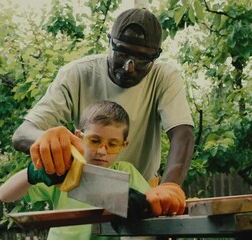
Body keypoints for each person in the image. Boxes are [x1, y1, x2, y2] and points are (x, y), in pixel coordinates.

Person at [12, 8, 194, 189]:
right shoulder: (76, 74)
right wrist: (47, 139)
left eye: (142, 59)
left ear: (156, 56)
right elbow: (22, 135)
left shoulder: (164, 77)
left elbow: (182, 133)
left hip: (141, 192)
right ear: (110, 43)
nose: (129, 67)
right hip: (86, 189)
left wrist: (170, 187)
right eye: (122, 53)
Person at [0, 100, 186, 240]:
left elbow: (148, 204)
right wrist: (35, 172)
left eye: (112, 144)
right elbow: (5, 194)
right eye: (95, 140)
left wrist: (155, 200)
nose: (102, 151)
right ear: (79, 136)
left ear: (124, 145)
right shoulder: (63, 170)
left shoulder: (125, 172)